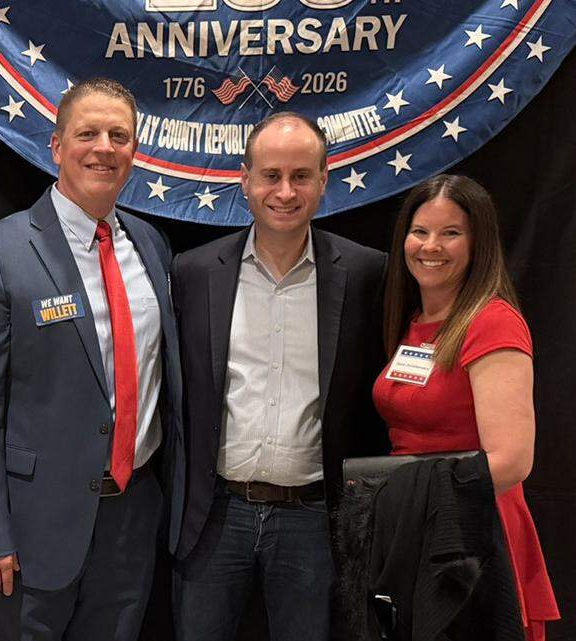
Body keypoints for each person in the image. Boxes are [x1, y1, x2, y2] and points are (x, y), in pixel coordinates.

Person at [0, 78, 184, 641]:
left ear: (134, 151)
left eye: (119, 135)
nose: (104, 146)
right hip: (29, 528)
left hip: (131, 515)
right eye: (88, 133)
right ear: (55, 147)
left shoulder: (150, 245)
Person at [170, 111, 388, 641]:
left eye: (301, 176)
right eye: (270, 175)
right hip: (214, 516)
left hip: (313, 521)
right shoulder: (193, 273)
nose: (285, 192)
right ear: (244, 179)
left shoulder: (366, 273)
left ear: (324, 180)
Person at [373, 174, 559, 639]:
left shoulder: (492, 323)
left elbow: (513, 461)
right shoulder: (413, 321)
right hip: (415, 533)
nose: (431, 246)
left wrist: (416, 499)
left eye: (451, 233)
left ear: (479, 244)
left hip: (473, 536)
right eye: (420, 231)